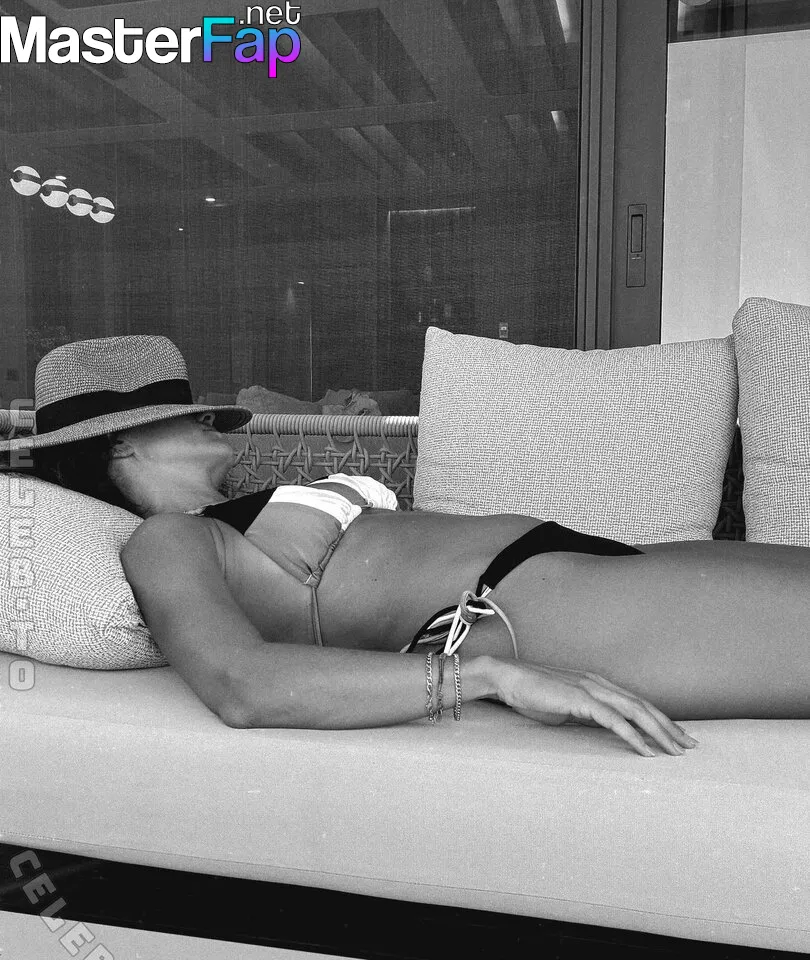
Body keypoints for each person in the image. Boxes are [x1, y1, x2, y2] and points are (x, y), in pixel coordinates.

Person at [3, 336, 808, 759]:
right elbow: (243, 684)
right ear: (123, 443)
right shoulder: (167, 539)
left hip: (591, 562)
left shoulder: (235, 508)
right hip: (527, 607)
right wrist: (486, 678)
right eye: (185, 413)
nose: (209, 416)